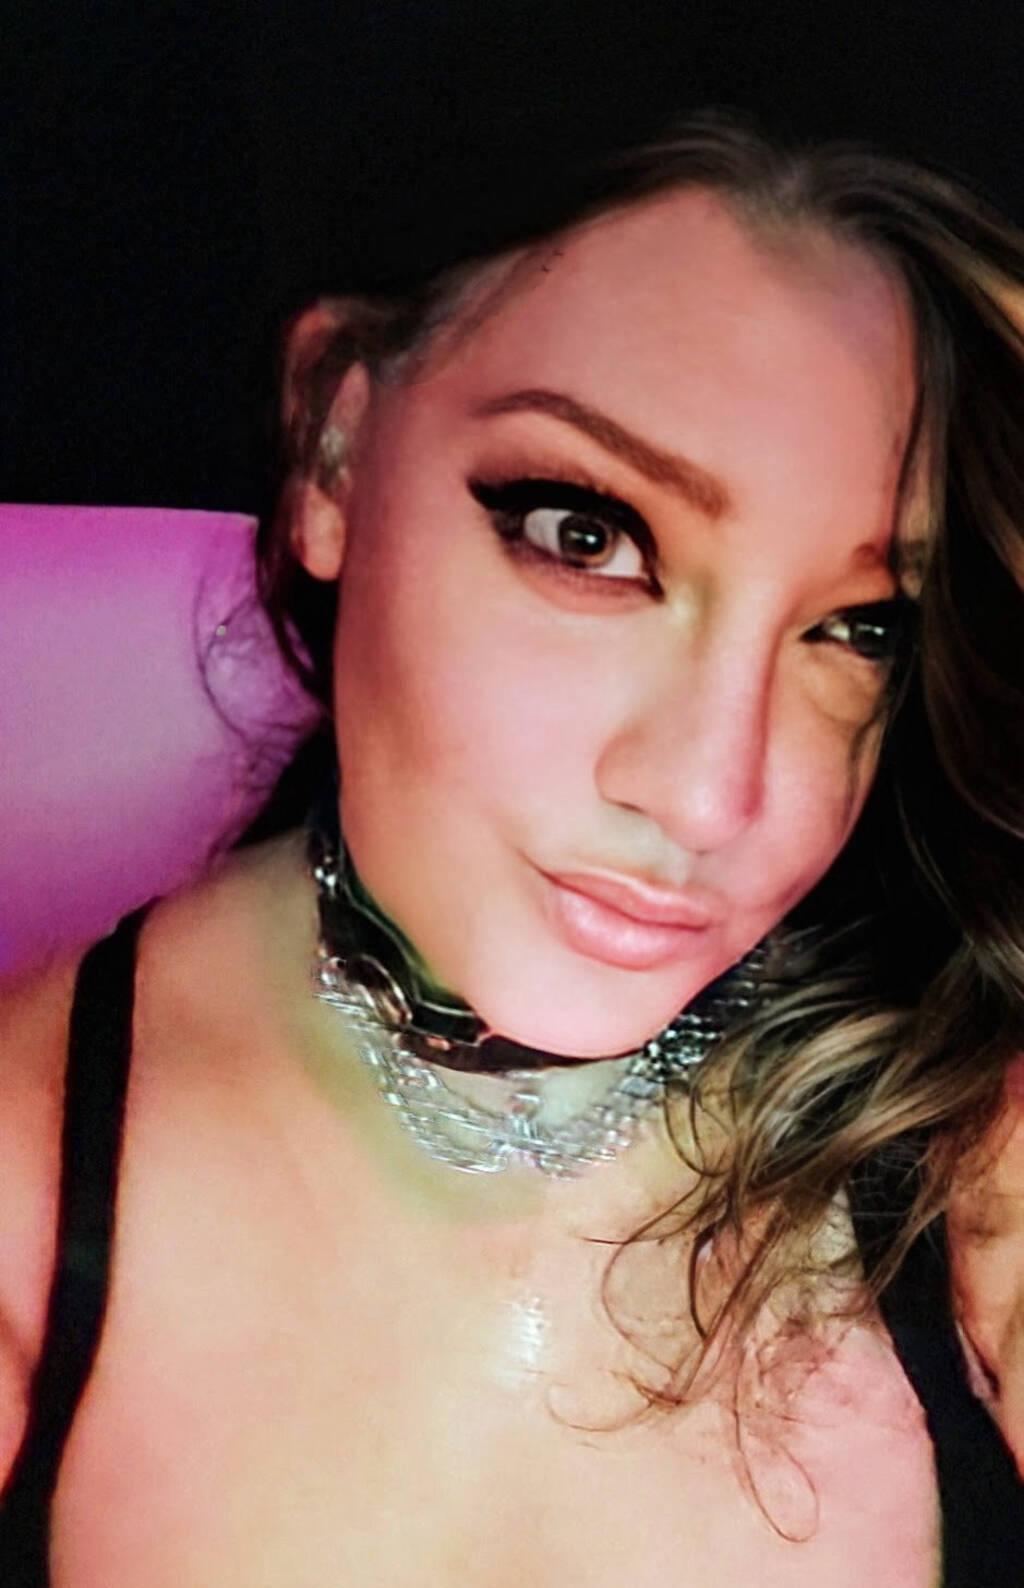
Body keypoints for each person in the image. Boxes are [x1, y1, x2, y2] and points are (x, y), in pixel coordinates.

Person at [1, 108, 1023, 1587]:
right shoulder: (27, 1194)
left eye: (860, 628)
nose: (713, 797)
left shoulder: (973, 1149)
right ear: (336, 441)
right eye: (585, 534)